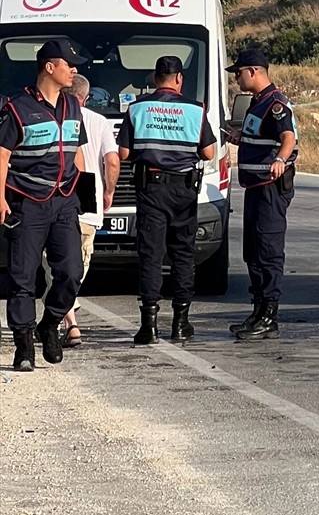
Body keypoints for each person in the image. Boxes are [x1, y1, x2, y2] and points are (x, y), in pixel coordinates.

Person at [0, 39, 89, 371]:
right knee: (22, 277)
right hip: (27, 202)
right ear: (50, 67)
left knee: (71, 272)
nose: (74, 69)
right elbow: (2, 156)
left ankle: (49, 323)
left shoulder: (73, 106)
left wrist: (86, 196)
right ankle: (24, 345)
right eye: (69, 64)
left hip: (65, 201)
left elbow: (78, 153)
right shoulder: (17, 107)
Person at [117, 56, 217, 344]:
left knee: (151, 255)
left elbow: (123, 154)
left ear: (154, 78)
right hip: (184, 190)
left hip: (151, 189)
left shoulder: (137, 108)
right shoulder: (195, 110)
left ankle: (148, 326)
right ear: (179, 79)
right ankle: (180, 323)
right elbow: (209, 153)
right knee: (183, 254)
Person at [224, 49, 297, 341]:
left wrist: (279, 159)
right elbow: (259, 137)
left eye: (239, 73)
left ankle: (269, 315)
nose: (236, 78)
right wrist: (238, 139)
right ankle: (257, 311)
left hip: (270, 189)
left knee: (268, 251)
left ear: (254, 71)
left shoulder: (276, 104)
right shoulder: (257, 104)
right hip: (255, 188)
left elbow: (287, 137)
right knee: (252, 251)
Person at [58, 75, 120, 347]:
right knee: (80, 262)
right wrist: (108, 190)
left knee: (56, 263)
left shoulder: (53, 116)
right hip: (88, 201)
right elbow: (113, 160)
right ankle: (69, 319)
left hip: (57, 199)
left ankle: (67, 316)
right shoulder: (99, 121)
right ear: (85, 97)